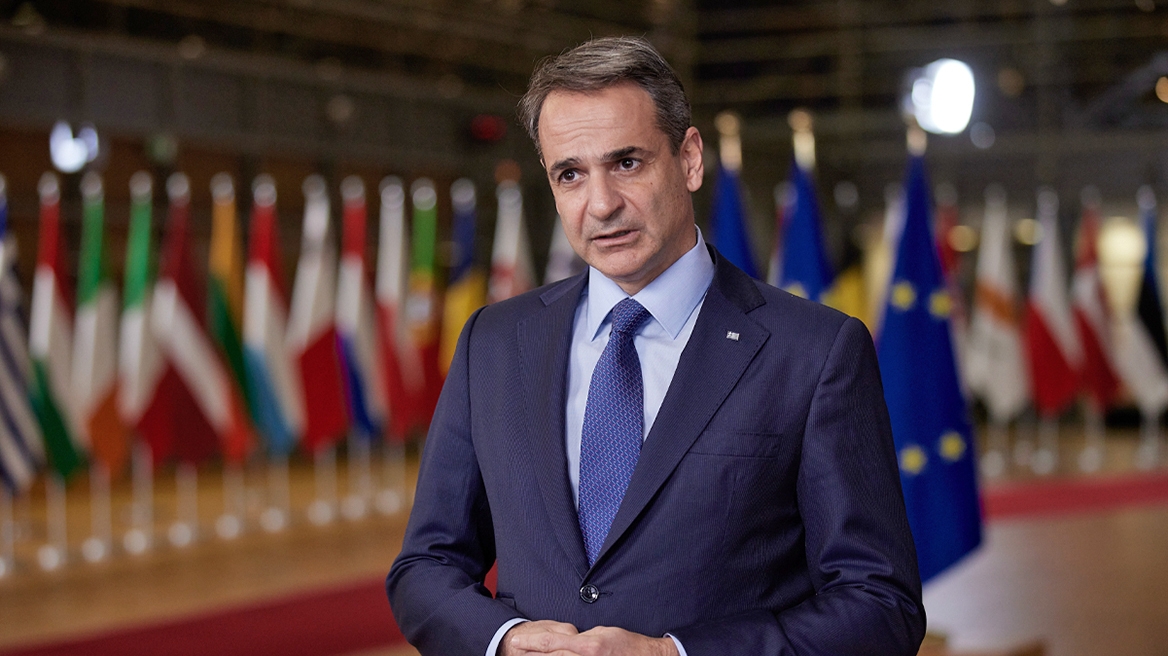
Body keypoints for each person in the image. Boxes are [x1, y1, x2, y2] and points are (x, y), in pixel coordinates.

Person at [387, 36, 925, 656]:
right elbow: (425, 565)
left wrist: (673, 654)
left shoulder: (815, 352)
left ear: (689, 159)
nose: (601, 204)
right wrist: (503, 640)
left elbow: (880, 606)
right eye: (570, 174)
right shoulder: (495, 343)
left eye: (627, 163)